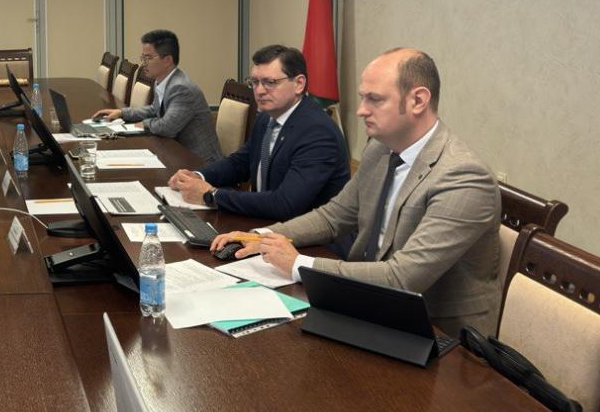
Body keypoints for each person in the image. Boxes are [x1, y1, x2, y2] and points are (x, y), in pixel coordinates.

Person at [211, 48, 501, 336]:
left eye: (374, 99)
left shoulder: (463, 177)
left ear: (418, 100)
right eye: (363, 98)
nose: (361, 110)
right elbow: (333, 217)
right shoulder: (380, 149)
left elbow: (402, 277)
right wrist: (262, 236)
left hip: (437, 334)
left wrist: (298, 264)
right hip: (369, 303)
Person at [168, 45, 349, 220]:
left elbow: (285, 204)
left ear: (299, 84)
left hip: (305, 235)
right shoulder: (266, 117)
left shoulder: (317, 133)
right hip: (263, 221)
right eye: (255, 82)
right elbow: (241, 163)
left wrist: (211, 195)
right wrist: (198, 176)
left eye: (270, 82)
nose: (260, 91)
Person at [93, 29, 221, 162]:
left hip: (200, 162)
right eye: (143, 58)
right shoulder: (162, 80)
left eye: (148, 58)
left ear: (167, 60)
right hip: (176, 152)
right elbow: (154, 109)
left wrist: (145, 124)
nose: (143, 64)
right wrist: (122, 113)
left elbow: (167, 128)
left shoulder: (182, 88)